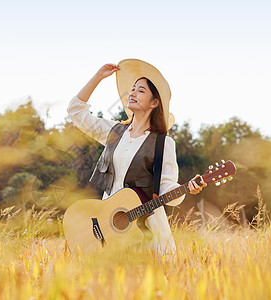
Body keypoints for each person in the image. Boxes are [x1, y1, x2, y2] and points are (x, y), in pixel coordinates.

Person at [67, 59, 207, 255]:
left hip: (145, 227)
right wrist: (98, 77)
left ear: (154, 102)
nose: (132, 93)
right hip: (108, 224)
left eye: (140, 90)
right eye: (132, 89)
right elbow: (75, 111)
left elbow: (166, 186)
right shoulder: (114, 132)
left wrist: (186, 188)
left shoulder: (163, 143)